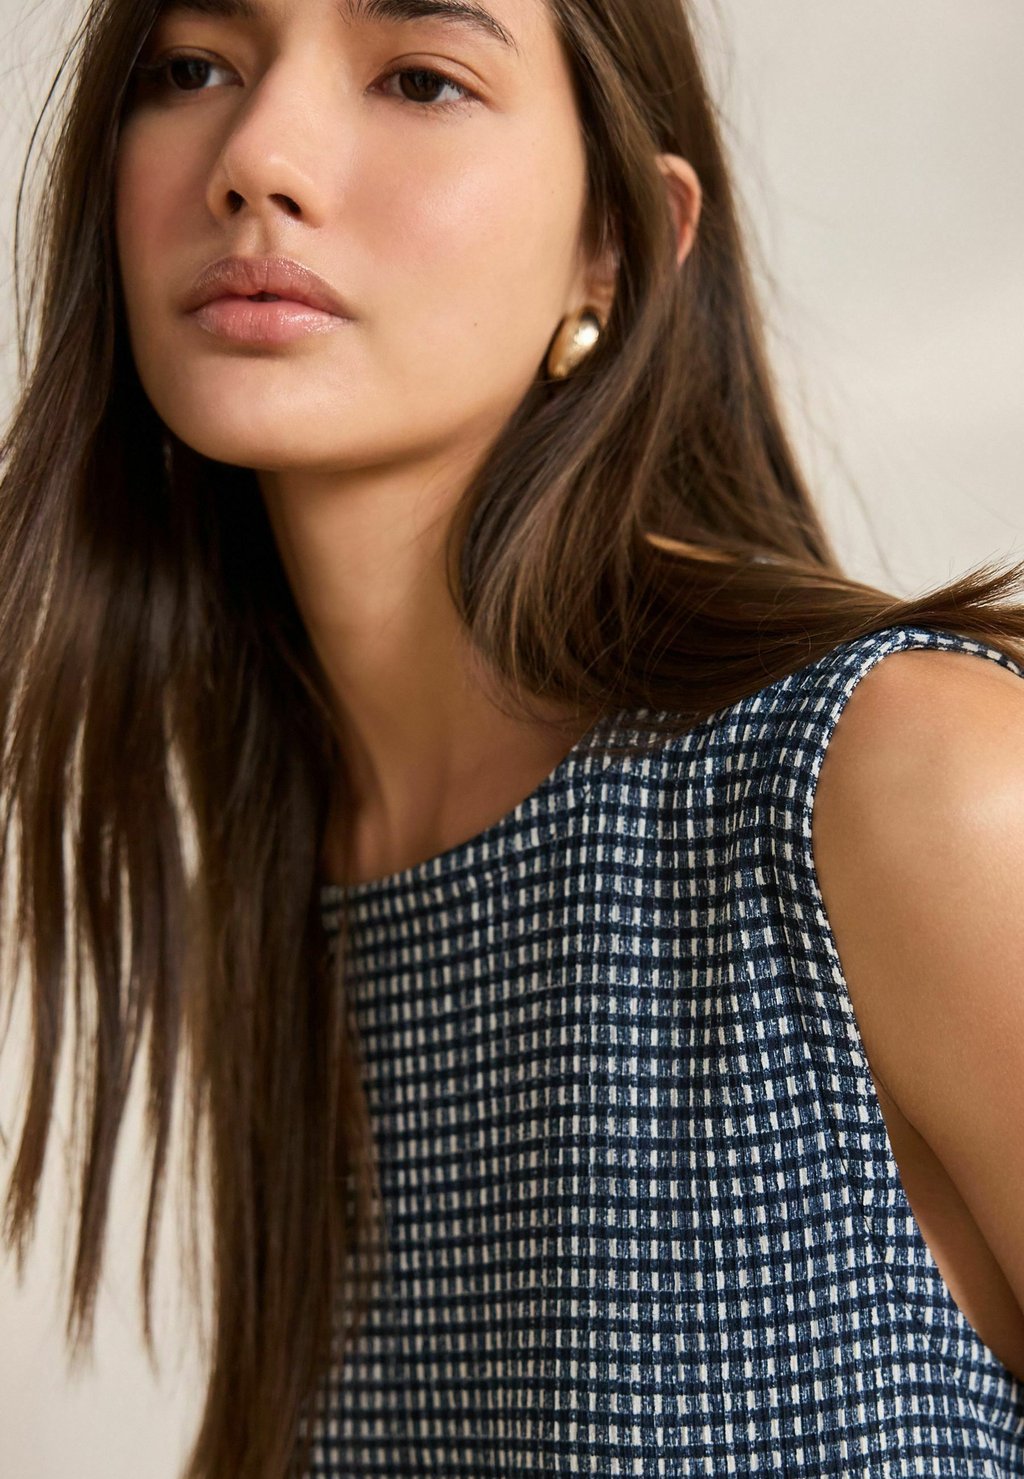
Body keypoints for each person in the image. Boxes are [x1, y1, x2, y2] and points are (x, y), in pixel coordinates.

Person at [1, 0, 1023, 1475]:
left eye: (421, 78)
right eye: (194, 67)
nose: (257, 157)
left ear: (617, 242)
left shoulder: (898, 785)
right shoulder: (297, 872)